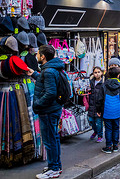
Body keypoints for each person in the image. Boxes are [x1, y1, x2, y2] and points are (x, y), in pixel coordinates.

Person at [28, 45, 64, 179]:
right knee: (53, 138)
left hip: (48, 111)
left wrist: (37, 104)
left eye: (38, 54)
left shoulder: (48, 71)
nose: (36, 55)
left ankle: (54, 169)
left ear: (43, 57)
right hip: (53, 109)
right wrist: (35, 74)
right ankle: (55, 165)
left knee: (49, 140)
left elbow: (50, 93)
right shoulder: (51, 69)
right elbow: (47, 83)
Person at [96, 66, 120, 154]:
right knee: (116, 128)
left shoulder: (104, 85)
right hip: (117, 110)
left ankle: (108, 146)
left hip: (107, 110)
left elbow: (99, 99)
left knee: (108, 129)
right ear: (118, 75)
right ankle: (115, 145)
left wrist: (98, 110)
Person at [88, 66, 105, 143]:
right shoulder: (91, 82)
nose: (97, 74)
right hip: (91, 104)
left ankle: (100, 135)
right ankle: (96, 131)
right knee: (91, 120)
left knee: (99, 122)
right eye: (95, 72)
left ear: (101, 73)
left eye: (98, 72)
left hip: (99, 105)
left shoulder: (103, 82)